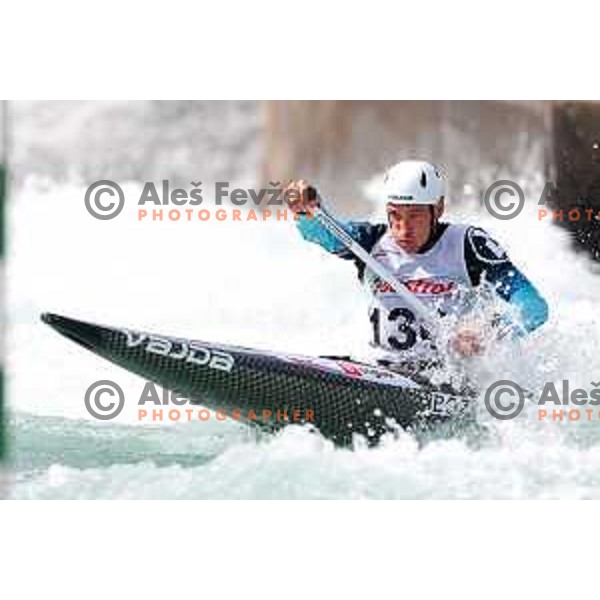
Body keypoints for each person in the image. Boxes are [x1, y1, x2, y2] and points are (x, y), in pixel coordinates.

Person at [284, 160, 548, 377]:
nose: (403, 229)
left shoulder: (468, 245)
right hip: (381, 372)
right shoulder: (370, 243)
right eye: (395, 215)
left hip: (444, 379)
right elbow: (326, 231)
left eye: (415, 216)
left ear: (439, 209)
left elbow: (534, 307)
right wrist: (305, 210)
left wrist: (486, 331)